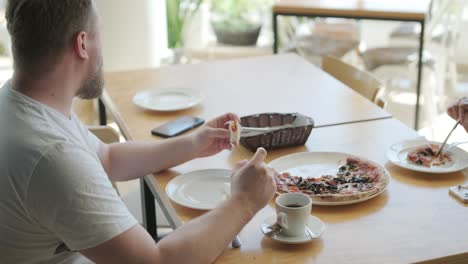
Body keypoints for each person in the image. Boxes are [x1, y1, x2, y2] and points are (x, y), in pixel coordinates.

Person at [0, 1, 276, 263]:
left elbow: (107, 157)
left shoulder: (20, 104)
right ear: (82, 44)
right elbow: (156, 261)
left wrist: (194, 143)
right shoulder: (53, 155)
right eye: (100, 34)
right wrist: (244, 202)